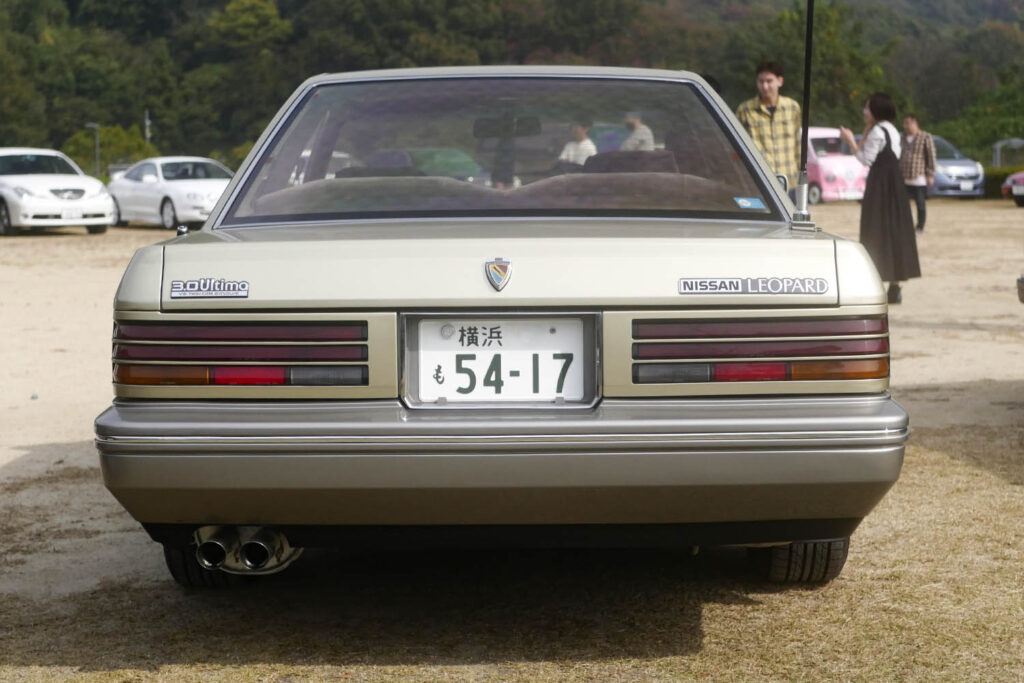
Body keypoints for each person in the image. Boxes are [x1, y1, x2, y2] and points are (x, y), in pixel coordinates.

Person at [840, 93, 921, 304]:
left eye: (867, 108)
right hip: (895, 185)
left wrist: (850, 141)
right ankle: (895, 285)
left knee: (875, 229)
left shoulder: (878, 130)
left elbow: (865, 160)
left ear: (876, 110)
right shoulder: (891, 129)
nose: (864, 111)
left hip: (880, 185)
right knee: (894, 230)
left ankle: (877, 282)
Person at [735, 60, 801, 191]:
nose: (765, 86)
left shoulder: (792, 107)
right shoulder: (745, 110)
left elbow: (798, 145)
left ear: (780, 81)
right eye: (761, 81)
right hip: (760, 184)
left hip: (790, 183)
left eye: (769, 81)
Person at [900, 113, 936, 233]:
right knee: (903, 204)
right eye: (904, 123)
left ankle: (920, 226)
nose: (905, 126)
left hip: (919, 177)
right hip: (904, 176)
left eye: (908, 123)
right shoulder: (902, 138)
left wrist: (930, 174)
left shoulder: (925, 137)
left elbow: (931, 156)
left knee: (920, 204)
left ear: (915, 124)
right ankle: (905, 225)